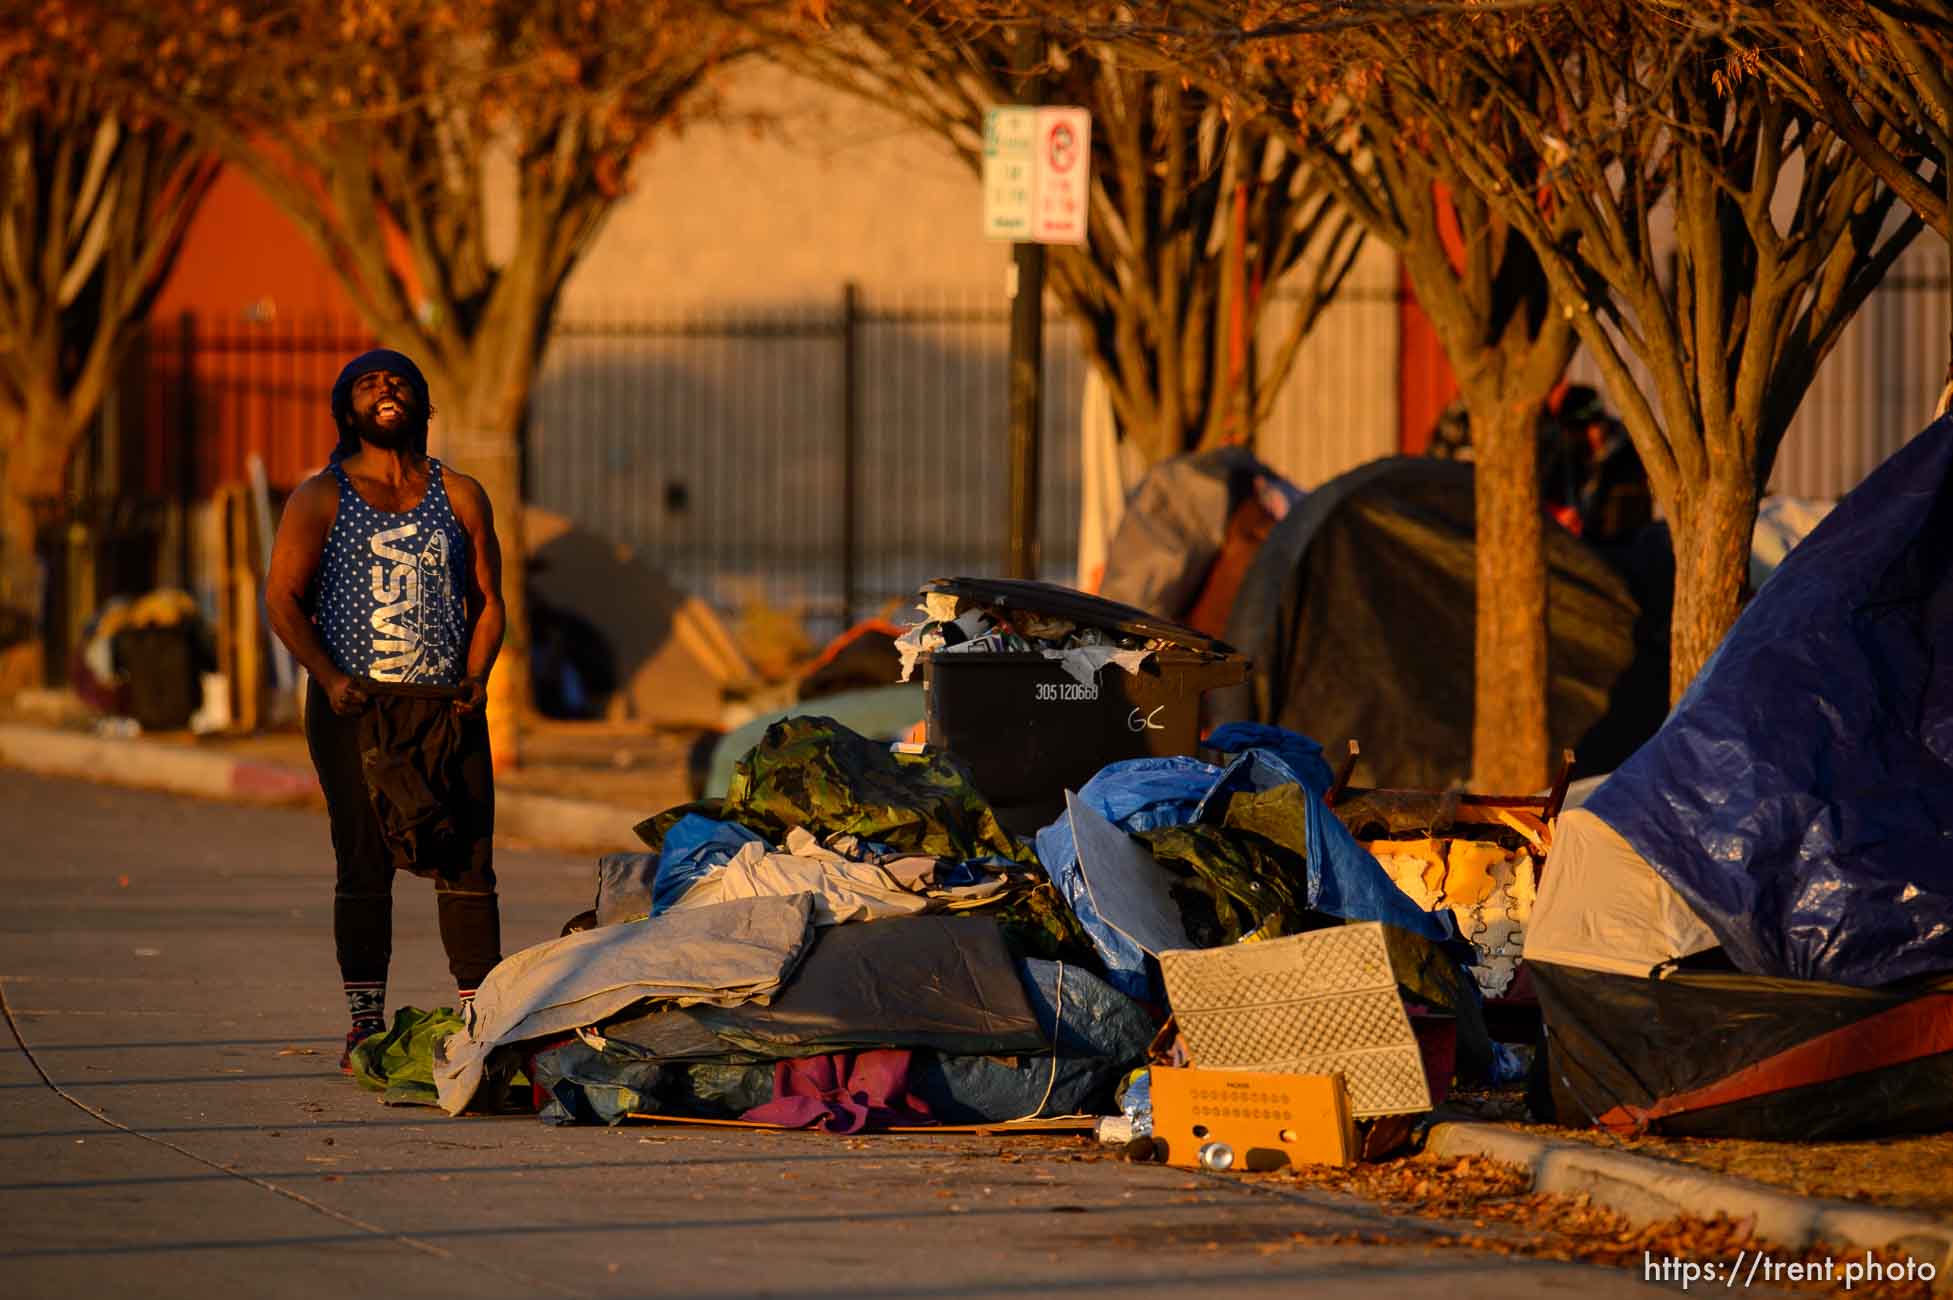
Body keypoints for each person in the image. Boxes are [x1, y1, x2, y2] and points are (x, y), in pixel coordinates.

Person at [265, 349, 506, 1071]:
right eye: (368, 384)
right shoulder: (320, 496)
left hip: (446, 705)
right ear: (347, 411)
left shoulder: (460, 494)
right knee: (364, 860)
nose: (385, 389)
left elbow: (490, 601)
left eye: (397, 380)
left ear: (423, 407)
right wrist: (329, 677)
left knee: (467, 858)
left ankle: (479, 1020)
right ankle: (364, 1025)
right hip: (355, 708)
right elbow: (282, 599)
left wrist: (477, 675)